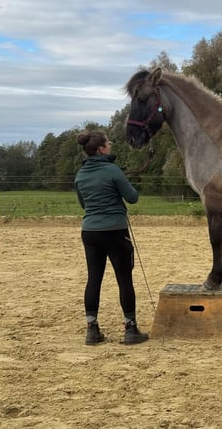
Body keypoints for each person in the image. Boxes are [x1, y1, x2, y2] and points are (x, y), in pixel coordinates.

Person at [74, 130, 149, 345]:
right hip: (115, 230)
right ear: (101, 149)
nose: (111, 143)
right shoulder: (113, 170)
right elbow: (132, 198)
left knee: (93, 279)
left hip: (90, 231)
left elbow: (84, 205)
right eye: (108, 142)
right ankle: (130, 329)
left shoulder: (80, 174)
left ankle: (92, 329)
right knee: (124, 280)